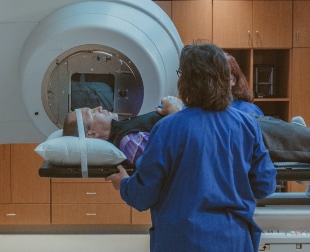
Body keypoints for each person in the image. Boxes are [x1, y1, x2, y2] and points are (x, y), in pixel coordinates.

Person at [104, 43, 277, 252]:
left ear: (185, 81)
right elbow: (265, 185)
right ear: (225, 79)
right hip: (233, 239)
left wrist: (124, 184)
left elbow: (143, 195)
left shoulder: (168, 128)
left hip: (182, 240)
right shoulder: (247, 125)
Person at [65, 97, 310, 164]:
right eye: (91, 114)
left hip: (239, 130)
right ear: (94, 137)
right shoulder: (126, 139)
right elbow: (159, 159)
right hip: (240, 141)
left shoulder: (127, 125)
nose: (98, 108)